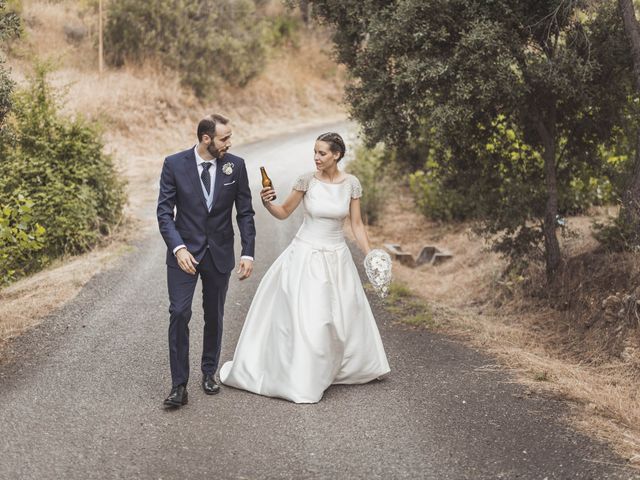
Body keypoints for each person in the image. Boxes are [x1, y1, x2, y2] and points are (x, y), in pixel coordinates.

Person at [220, 132, 390, 403]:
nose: (316, 157)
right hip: (305, 254)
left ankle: (338, 366)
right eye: (315, 152)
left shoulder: (352, 184)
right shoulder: (306, 181)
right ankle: (304, 374)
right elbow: (283, 212)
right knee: (313, 317)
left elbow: (356, 224)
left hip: (337, 256)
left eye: (322, 153)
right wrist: (267, 202)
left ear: (336, 155)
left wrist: (370, 255)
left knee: (342, 315)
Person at [157, 113, 256, 408]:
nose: (229, 143)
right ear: (206, 139)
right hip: (184, 254)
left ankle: (209, 371)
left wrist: (247, 251)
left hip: (219, 252)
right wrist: (178, 248)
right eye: (224, 138)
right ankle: (179, 385)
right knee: (179, 312)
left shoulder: (235, 166)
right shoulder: (174, 164)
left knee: (214, 314)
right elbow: (164, 213)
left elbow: (245, 212)